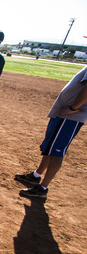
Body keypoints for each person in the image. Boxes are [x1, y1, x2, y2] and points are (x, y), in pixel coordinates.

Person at [15, 66, 87, 199]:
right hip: (64, 115)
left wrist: (73, 108)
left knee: (57, 152)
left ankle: (43, 188)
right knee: (51, 147)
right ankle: (36, 175)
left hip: (70, 117)